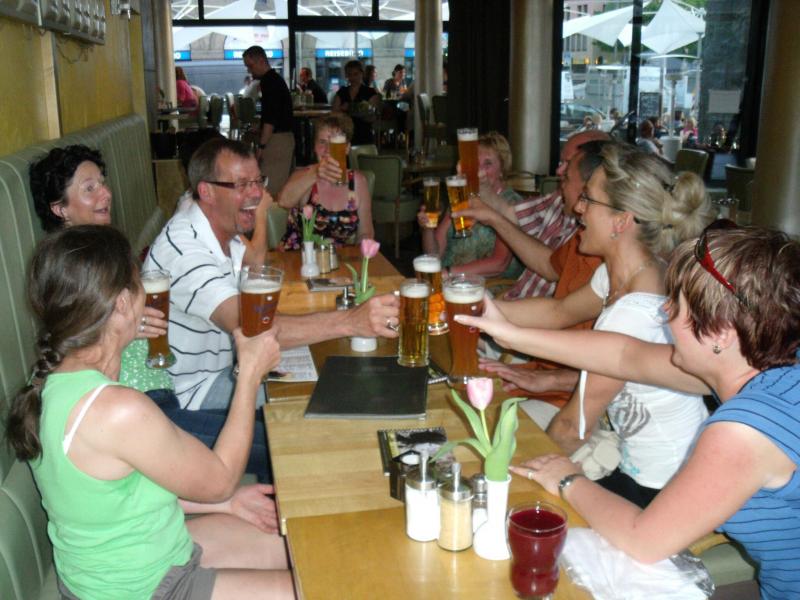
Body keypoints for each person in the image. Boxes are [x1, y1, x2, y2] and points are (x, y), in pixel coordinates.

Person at [461, 226, 800, 599]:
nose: (665, 312)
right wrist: (509, 333)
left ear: (721, 333)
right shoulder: (768, 360)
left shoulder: (745, 432)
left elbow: (644, 540)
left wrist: (568, 479)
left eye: (677, 305)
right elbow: (625, 356)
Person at [5, 225, 293, 599]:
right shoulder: (117, 410)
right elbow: (221, 478)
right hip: (140, 588)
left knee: (300, 545)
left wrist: (228, 503)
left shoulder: (50, 380)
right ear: (123, 302)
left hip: (133, 554)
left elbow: (116, 494)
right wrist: (250, 373)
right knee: (319, 583)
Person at [487, 142, 716, 507]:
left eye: (588, 199)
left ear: (621, 220)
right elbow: (558, 311)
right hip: (645, 466)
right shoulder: (629, 272)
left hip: (664, 487)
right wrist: (476, 305)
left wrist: (509, 479)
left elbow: (571, 428)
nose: (578, 208)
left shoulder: (634, 313)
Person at [143, 138, 398, 463]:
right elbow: (253, 327)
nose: (257, 194)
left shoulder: (220, 228)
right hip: (191, 397)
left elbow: (255, 278)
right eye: (241, 185)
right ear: (206, 191)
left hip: (229, 368)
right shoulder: (185, 248)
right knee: (308, 421)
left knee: (329, 377)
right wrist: (351, 321)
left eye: (257, 181)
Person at [29, 143, 270, 482]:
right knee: (273, 443)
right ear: (60, 209)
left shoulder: (106, 252)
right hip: (139, 409)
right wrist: (117, 323)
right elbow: (63, 345)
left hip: (161, 392)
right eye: (89, 188)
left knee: (275, 426)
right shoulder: (69, 268)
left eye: (102, 183)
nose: (105, 193)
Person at [458, 140, 605, 404]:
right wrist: (471, 311)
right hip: (539, 364)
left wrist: (552, 378)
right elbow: (557, 304)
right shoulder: (587, 242)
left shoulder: (632, 274)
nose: (579, 208)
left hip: (570, 395)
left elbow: (623, 367)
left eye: (567, 169)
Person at [458, 129, 609, 301]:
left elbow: (551, 275)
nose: (559, 170)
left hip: (528, 311)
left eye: (568, 164)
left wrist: (493, 219)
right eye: (561, 162)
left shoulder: (596, 234)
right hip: (515, 302)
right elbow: (510, 213)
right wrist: (482, 186)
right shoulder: (559, 199)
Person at [419, 131, 522, 279]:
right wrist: (428, 229)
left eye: (488, 163)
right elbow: (433, 255)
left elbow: (499, 263)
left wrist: (447, 273)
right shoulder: (461, 196)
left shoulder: (511, 204)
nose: (479, 170)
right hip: (448, 280)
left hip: (487, 286)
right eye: (475, 163)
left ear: (502, 170)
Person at [277, 113, 374, 250]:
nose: (328, 150)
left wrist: (361, 257)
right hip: (298, 258)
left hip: (337, 260)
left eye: (335, 144)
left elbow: (366, 233)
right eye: (322, 142)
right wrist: (316, 173)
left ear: (346, 148)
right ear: (314, 146)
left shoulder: (358, 182)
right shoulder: (305, 175)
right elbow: (283, 201)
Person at [242, 45, 295, 197]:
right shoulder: (274, 79)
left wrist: (262, 146)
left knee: (269, 191)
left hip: (278, 140)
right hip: (283, 138)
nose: (249, 70)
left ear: (261, 61)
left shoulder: (269, 82)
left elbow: (271, 118)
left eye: (250, 66)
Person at [332, 59, 380, 145]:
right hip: (343, 135)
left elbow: (371, 117)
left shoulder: (371, 92)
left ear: (362, 73)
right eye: (349, 74)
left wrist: (348, 108)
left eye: (355, 74)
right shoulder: (342, 92)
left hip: (364, 136)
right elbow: (334, 114)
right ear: (346, 75)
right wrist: (360, 109)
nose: (352, 78)